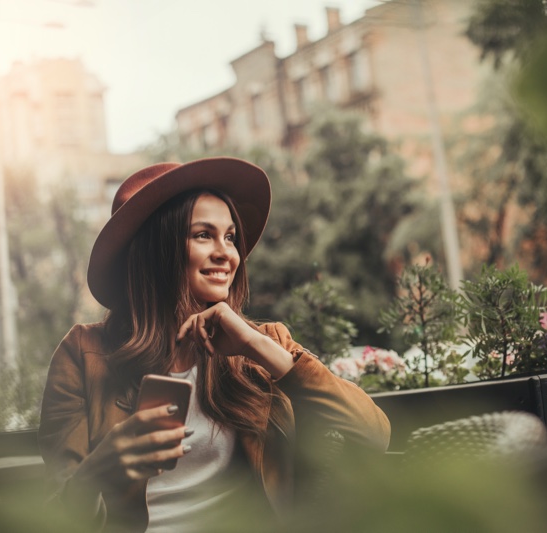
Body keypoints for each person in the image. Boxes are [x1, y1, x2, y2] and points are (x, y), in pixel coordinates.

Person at [37, 157, 391, 533]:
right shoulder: (83, 353)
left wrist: (259, 346)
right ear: (157, 250)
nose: (227, 253)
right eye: (203, 234)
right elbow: (58, 515)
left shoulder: (264, 345)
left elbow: (374, 434)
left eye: (231, 237)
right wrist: (100, 469)